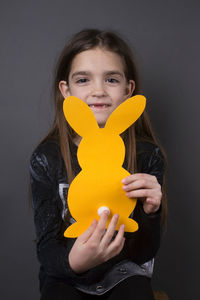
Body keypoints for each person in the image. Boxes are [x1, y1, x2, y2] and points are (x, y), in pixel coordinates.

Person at [30, 29, 167, 300]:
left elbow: (144, 252)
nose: (98, 91)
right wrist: (75, 262)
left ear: (128, 91)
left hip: (124, 274)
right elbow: (47, 250)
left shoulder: (147, 155)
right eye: (83, 79)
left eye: (111, 79)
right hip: (65, 277)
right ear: (66, 91)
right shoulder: (46, 157)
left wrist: (151, 212)